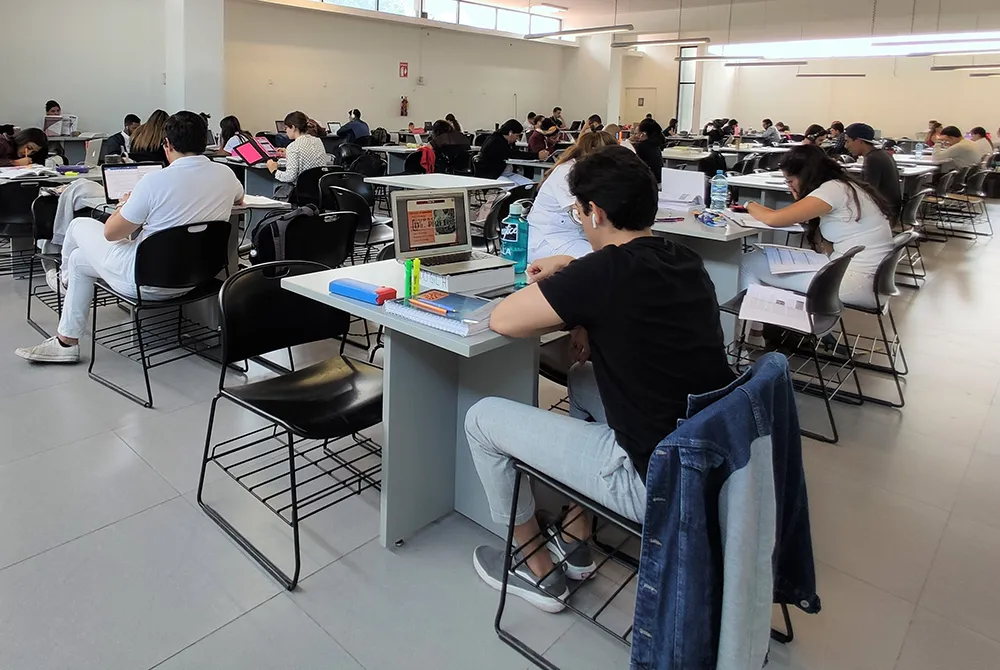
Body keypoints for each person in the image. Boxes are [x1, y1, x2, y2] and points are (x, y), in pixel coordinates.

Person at [466, 145, 736, 612]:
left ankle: (535, 567)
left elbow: (505, 320)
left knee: (482, 419)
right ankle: (577, 529)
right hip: (709, 453)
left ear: (594, 211)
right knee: (583, 377)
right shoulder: (682, 259)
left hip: (654, 478)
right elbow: (620, 287)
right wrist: (572, 270)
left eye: (578, 211)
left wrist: (569, 275)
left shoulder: (602, 273)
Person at [15, 111, 244, 364]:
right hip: (198, 278)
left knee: (79, 224)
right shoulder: (226, 175)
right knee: (80, 259)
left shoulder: (154, 182)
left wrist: (127, 203)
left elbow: (111, 233)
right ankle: (65, 341)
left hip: (145, 280)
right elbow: (238, 199)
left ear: (166, 144)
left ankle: (63, 278)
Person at [739, 145, 895, 310]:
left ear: (805, 176)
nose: (789, 186)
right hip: (869, 280)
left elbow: (774, 218)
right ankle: (767, 325)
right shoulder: (844, 186)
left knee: (749, 262)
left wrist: (749, 204)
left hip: (857, 283)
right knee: (764, 259)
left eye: (790, 181)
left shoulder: (832, 190)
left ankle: (752, 329)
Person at [526, 131, 618, 263]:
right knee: (603, 262)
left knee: (615, 257)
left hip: (575, 236)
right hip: (548, 239)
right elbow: (581, 213)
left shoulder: (593, 173)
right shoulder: (567, 172)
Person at [844, 122, 901, 214]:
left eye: (848, 141)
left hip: (884, 212)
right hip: (890, 208)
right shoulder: (883, 154)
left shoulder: (872, 159)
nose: (846, 146)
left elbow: (868, 192)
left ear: (859, 141)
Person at [267, 111, 329, 183]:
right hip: (319, 188)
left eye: (286, 128)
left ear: (293, 127)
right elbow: (308, 157)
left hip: (302, 189)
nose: (285, 131)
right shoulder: (318, 141)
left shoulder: (293, 146)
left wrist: (274, 171)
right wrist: (288, 153)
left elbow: (289, 177)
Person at [477, 119, 545, 184]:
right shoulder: (496, 141)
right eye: (517, 135)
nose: (517, 138)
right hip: (493, 175)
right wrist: (536, 156)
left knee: (530, 184)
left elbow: (515, 152)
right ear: (510, 133)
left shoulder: (507, 140)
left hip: (506, 173)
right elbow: (513, 154)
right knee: (515, 188)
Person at [632, 118, 665, 183]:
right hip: (657, 180)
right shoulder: (655, 145)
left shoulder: (640, 147)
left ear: (643, 134)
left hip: (648, 182)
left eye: (636, 133)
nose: (635, 136)